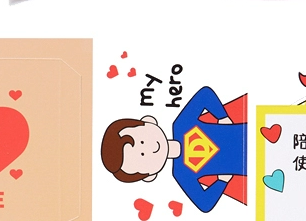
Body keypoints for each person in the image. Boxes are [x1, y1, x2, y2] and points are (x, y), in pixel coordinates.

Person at [101, 87, 246, 213]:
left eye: (142, 141)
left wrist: (222, 117)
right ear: (149, 176)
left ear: (149, 121)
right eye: (142, 155)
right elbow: (205, 203)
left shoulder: (182, 123)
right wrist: (222, 181)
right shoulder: (182, 174)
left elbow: (205, 95)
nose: (150, 148)